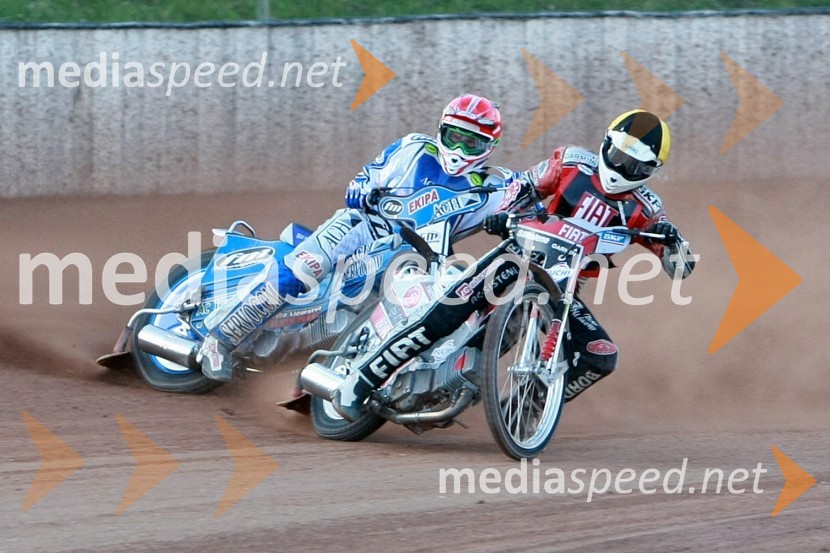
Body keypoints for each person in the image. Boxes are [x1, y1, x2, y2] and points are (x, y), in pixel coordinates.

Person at [330, 109, 695, 421]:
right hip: (518, 257)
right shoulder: (571, 162)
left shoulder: (646, 208)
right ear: (606, 144)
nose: (622, 167)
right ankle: (360, 380)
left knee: (600, 355)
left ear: (652, 170)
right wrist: (504, 214)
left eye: (635, 165)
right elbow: (523, 186)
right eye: (618, 155)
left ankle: (522, 412)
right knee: (449, 311)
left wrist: (673, 242)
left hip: (564, 286)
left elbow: (681, 268)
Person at [198, 94, 529, 382]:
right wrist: (361, 188)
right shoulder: (413, 148)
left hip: (420, 259)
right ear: (441, 129)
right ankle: (219, 340)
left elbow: (530, 195)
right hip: (364, 226)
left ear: (490, 146)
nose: (458, 149)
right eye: (454, 137)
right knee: (306, 267)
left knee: (435, 312)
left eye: (471, 143)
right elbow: (367, 176)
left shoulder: (495, 188)